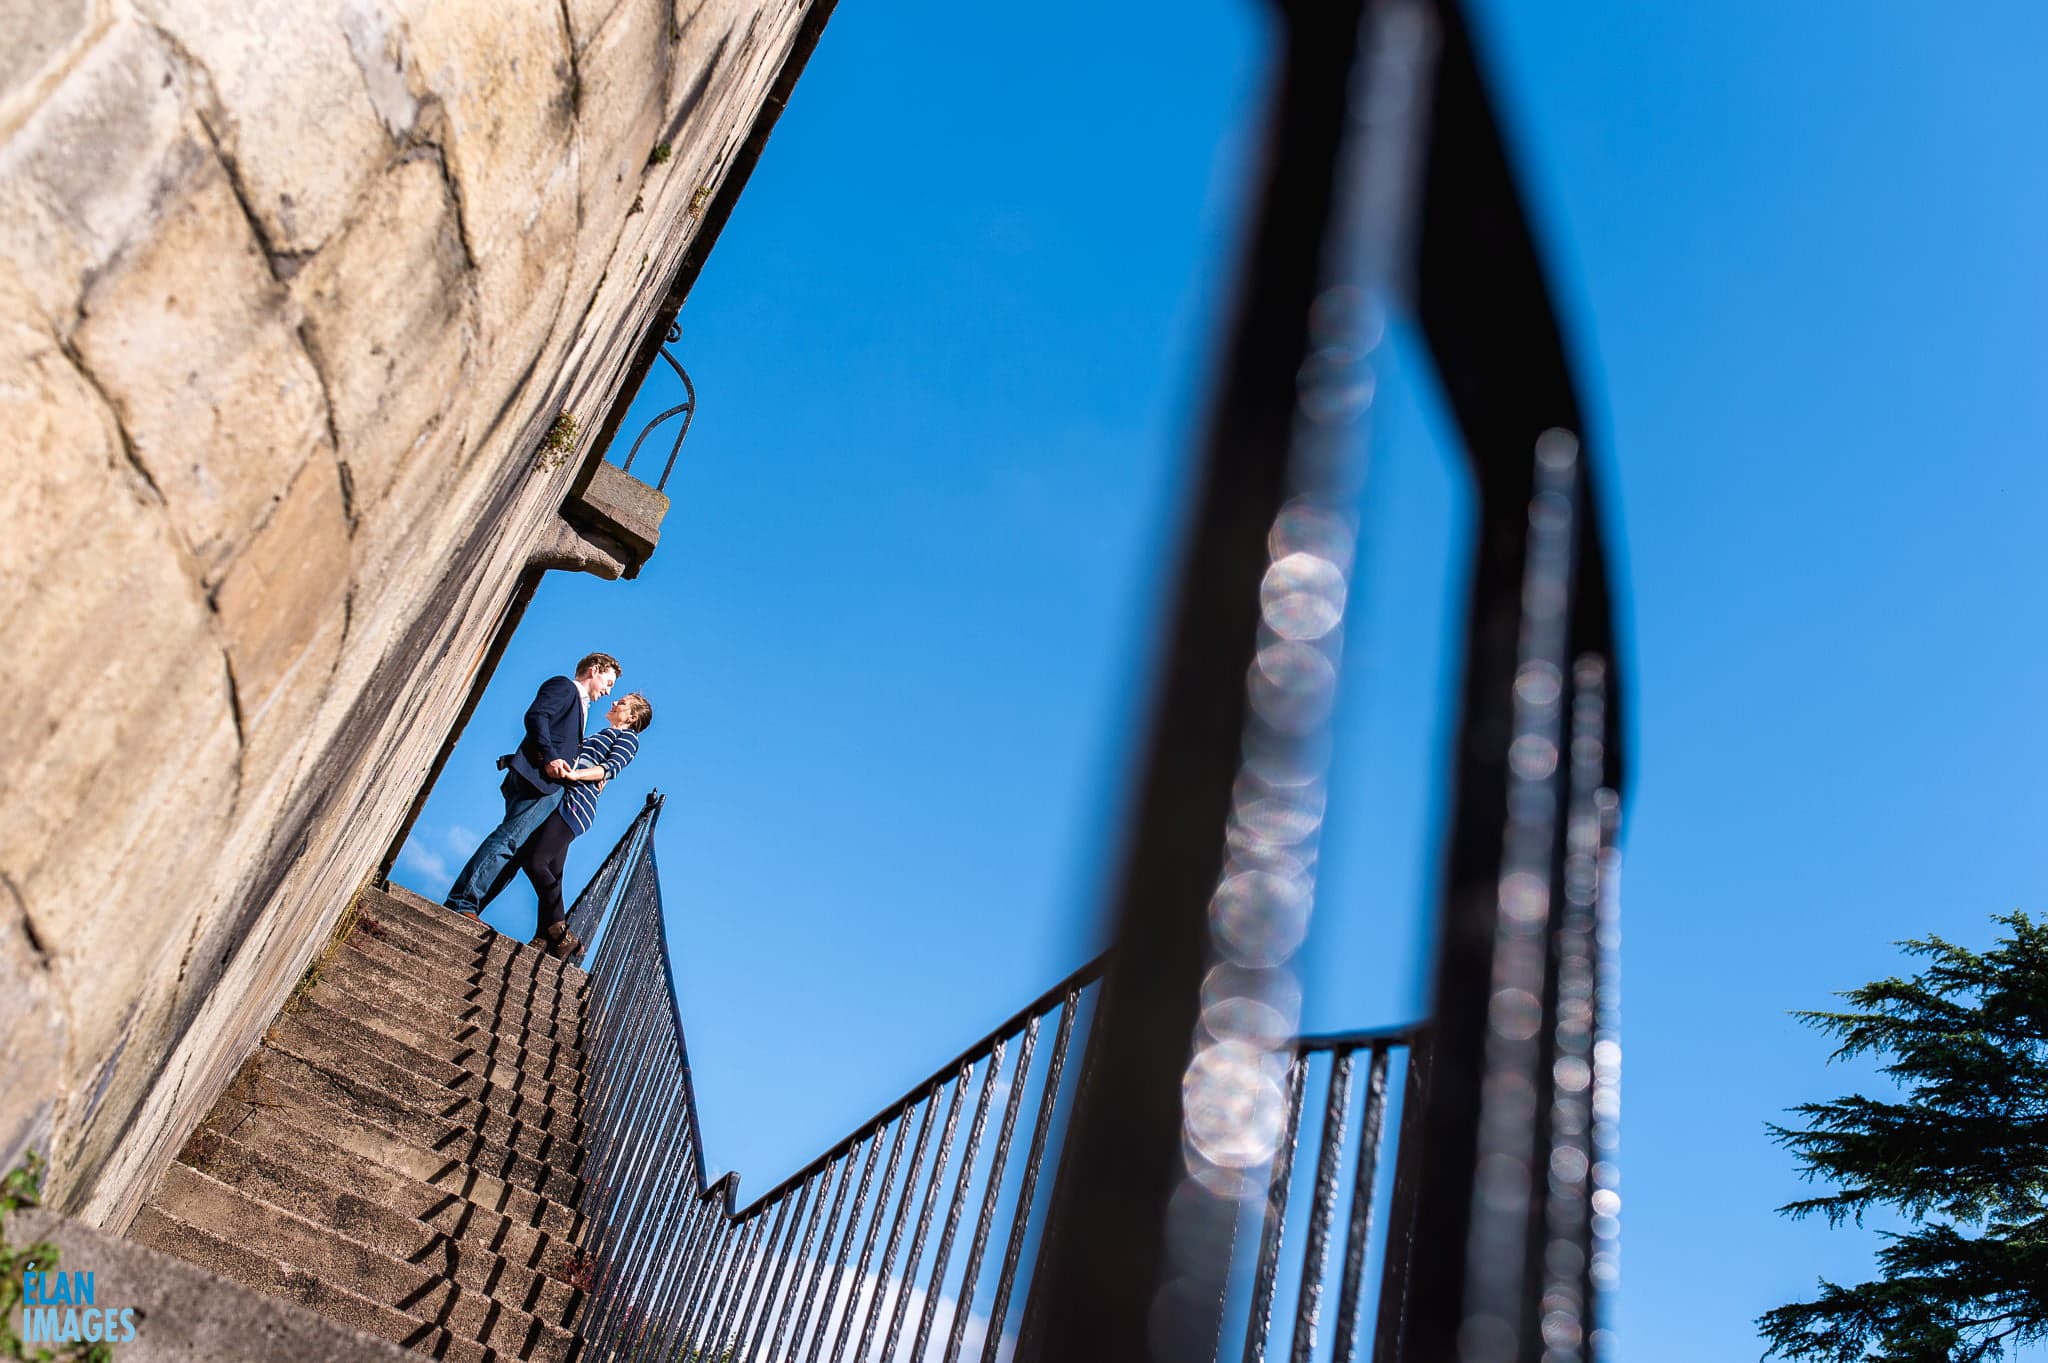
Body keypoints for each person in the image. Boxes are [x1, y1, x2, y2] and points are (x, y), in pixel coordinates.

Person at [443, 652, 621, 919]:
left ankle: (471, 907)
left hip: (546, 785)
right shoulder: (564, 687)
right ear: (594, 671)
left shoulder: (582, 706)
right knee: (509, 839)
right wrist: (550, 757)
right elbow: (537, 716)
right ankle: (461, 903)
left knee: (515, 855)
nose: (608, 692)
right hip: (538, 779)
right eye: (608, 683)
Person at [519, 692, 653, 959]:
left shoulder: (628, 739)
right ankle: (545, 937)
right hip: (565, 798)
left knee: (535, 861)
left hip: (576, 806)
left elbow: (609, 768)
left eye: (622, 703)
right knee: (553, 873)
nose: (614, 703)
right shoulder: (600, 734)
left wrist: (575, 774)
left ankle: (560, 932)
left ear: (632, 717)